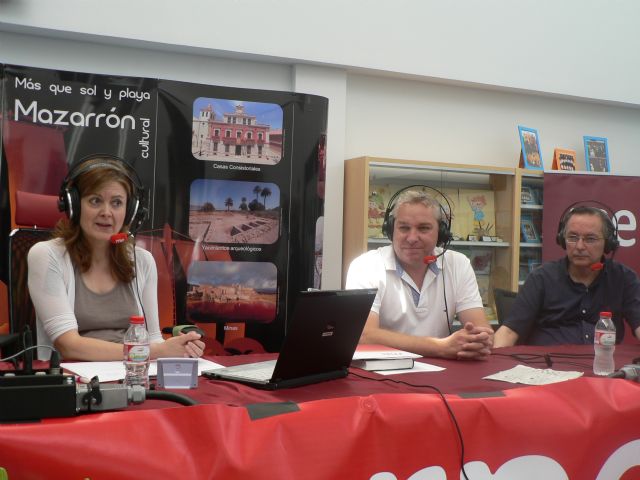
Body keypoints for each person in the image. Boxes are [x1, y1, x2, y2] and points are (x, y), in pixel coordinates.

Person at [28, 154, 205, 361]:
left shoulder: (142, 261)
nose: (106, 212)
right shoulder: (47, 255)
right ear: (74, 205)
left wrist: (179, 348)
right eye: (95, 201)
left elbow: (153, 338)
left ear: (129, 211)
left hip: (134, 371)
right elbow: (69, 346)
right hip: (74, 374)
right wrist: (156, 351)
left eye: (117, 203)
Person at [346, 189, 494, 359]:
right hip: (382, 371)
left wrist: (479, 340)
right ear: (390, 230)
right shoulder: (366, 265)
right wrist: (439, 347)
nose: (412, 238)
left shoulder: (458, 264)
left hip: (441, 368)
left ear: (441, 233)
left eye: (423, 228)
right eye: (404, 228)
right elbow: (364, 335)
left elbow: (482, 331)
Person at [494, 205, 640, 347]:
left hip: (603, 361)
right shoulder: (541, 278)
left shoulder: (624, 278)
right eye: (573, 237)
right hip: (548, 362)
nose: (580, 246)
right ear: (562, 240)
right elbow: (509, 332)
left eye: (590, 239)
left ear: (608, 243)